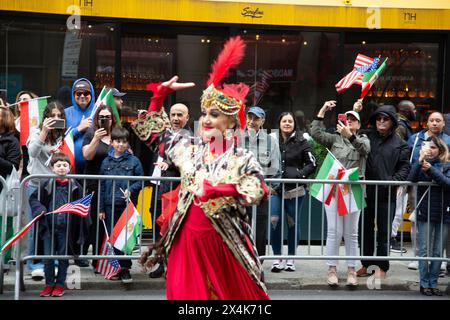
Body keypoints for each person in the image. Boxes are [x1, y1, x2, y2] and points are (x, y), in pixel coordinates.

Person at [139, 37, 270, 300]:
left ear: (231, 123)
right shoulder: (189, 148)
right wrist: (159, 96)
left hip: (224, 243)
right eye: (204, 113)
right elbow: (155, 136)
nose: (206, 120)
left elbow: (258, 189)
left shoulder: (242, 157)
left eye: (214, 114)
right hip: (187, 242)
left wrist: (219, 189)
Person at [311, 100, 370, 286]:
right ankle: (332, 269)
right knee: (333, 231)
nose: (350, 122)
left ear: (359, 125)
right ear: (342, 121)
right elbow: (316, 133)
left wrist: (351, 136)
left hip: (354, 189)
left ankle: (352, 270)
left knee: (352, 233)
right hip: (335, 190)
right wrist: (322, 110)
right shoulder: (335, 139)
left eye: (354, 120)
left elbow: (365, 149)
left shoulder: (363, 138)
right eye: (347, 119)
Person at [357, 105, 410, 279]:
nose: (381, 121)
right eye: (378, 118)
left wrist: (393, 182)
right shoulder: (366, 136)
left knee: (384, 233)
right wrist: (355, 108)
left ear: (392, 122)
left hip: (386, 195)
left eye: (385, 118)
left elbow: (404, 167)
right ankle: (365, 264)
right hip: (366, 193)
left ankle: (382, 267)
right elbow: (351, 130)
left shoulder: (401, 144)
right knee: (364, 230)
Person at [29, 153, 85, 297]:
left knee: (63, 257)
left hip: (66, 229)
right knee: (48, 257)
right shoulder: (46, 184)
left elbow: (82, 204)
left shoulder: (76, 186)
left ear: (70, 167)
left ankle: (60, 284)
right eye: (58, 165)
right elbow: (34, 199)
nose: (61, 168)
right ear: (52, 168)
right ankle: (49, 284)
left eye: (64, 165)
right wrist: (40, 209)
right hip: (48, 227)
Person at [149, 102, 192, 278]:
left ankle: (174, 265)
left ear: (187, 118)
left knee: (174, 226)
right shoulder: (163, 134)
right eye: (173, 114)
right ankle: (161, 263)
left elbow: (188, 162)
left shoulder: (189, 138)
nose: (175, 118)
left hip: (175, 189)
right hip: (158, 186)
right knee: (159, 225)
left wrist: (171, 164)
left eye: (180, 115)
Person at [269, 111, 315, 273]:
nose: (287, 124)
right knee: (274, 221)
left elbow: (311, 164)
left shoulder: (303, 140)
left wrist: (299, 174)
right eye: (284, 121)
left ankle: (291, 258)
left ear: (294, 123)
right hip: (275, 189)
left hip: (295, 189)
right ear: (279, 123)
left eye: (290, 121)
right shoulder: (271, 140)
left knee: (292, 223)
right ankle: (277, 258)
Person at [26, 101, 68, 279]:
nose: (56, 119)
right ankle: (33, 262)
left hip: (56, 187)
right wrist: (44, 131)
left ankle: (53, 262)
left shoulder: (64, 136)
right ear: (46, 117)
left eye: (60, 116)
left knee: (55, 227)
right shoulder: (36, 131)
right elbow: (32, 152)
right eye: (53, 116)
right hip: (36, 186)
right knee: (34, 227)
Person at [99, 127, 144, 284]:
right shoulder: (105, 162)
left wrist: (131, 190)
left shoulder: (134, 161)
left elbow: (140, 181)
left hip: (127, 206)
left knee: (125, 238)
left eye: (124, 142)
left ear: (127, 143)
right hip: (109, 204)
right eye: (118, 141)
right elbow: (102, 186)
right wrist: (101, 209)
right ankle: (116, 267)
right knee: (114, 237)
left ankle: (125, 269)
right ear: (111, 143)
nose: (121, 145)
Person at [406, 111, 450, 270]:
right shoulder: (416, 138)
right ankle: (418, 256)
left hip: (442, 187)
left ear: (443, 123)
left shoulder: (448, 140)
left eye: (438, 120)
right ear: (427, 123)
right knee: (418, 221)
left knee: (442, 226)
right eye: (432, 120)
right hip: (420, 183)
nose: (435, 123)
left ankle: (441, 260)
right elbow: (409, 159)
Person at [82, 105, 118, 270]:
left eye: (108, 117)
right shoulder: (90, 134)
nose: (105, 120)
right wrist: (96, 139)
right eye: (101, 117)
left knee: (112, 224)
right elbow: (87, 156)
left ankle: (111, 262)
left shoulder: (118, 135)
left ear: (112, 119)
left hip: (113, 187)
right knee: (95, 224)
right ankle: (97, 261)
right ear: (97, 119)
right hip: (94, 186)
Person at [243, 106, 281, 257]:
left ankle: (258, 261)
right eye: (250, 117)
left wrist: (270, 188)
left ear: (262, 121)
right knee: (241, 228)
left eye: (256, 118)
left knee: (260, 229)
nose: (252, 121)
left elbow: (276, 168)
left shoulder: (271, 142)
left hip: (260, 194)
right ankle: (241, 261)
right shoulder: (236, 138)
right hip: (240, 194)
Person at [0, 106, 21, 271]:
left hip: (3, 188)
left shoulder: (12, 141)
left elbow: (12, 166)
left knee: (4, 224)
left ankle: (4, 259)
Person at [65, 78, 96, 174]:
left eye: (86, 93)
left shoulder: (99, 111)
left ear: (91, 95)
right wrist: (78, 129)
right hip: (69, 167)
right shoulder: (65, 113)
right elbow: (60, 140)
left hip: (94, 167)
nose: (82, 96)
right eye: (78, 93)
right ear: (73, 95)